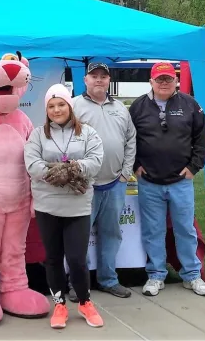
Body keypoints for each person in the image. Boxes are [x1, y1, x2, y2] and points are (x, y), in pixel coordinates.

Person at [24, 83, 105, 329]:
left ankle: (84, 301)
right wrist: (58, 173)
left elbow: (95, 161)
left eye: (61, 104)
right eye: (51, 106)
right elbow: (32, 165)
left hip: (77, 207)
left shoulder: (88, 133)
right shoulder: (38, 134)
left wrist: (71, 169)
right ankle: (59, 304)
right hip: (47, 206)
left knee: (77, 258)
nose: (57, 110)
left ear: (69, 106)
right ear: (46, 110)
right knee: (53, 258)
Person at [128, 61, 205, 297]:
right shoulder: (138, 107)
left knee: (185, 229)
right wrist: (135, 165)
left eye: (168, 79)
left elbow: (201, 140)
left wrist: (193, 168)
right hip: (149, 183)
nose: (164, 83)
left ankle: (192, 275)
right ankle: (156, 275)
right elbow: (128, 140)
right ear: (151, 82)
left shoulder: (190, 105)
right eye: (159, 79)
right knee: (153, 231)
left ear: (176, 81)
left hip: (181, 182)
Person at [67, 63, 136, 301]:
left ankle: (109, 280)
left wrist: (126, 172)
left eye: (103, 76)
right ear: (85, 80)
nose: (99, 80)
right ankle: (78, 283)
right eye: (94, 76)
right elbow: (62, 140)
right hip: (84, 185)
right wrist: (74, 175)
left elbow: (131, 139)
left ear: (109, 81)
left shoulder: (120, 108)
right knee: (79, 237)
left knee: (111, 234)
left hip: (115, 183)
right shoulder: (73, 105)